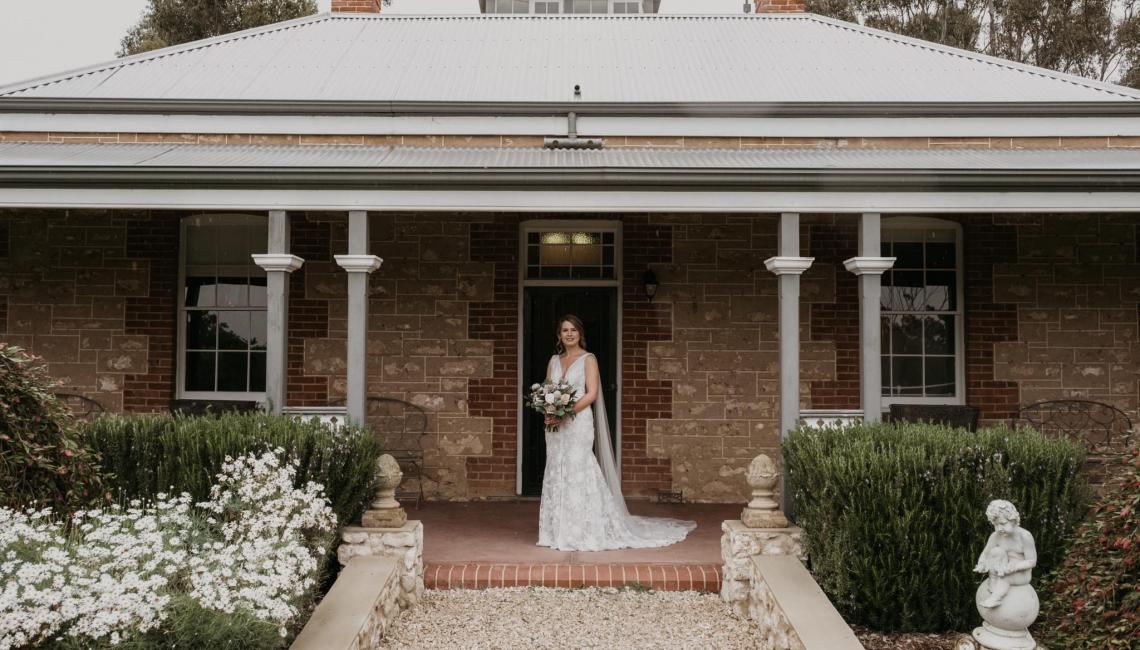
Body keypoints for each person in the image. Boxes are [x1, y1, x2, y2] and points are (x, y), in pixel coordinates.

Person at [537, 314, 696, 551]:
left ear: (580, 334)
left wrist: (564, 413)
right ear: (559, 335)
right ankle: (555, 531)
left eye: (573, 330)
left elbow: (591, 394)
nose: (569, 334)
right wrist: (549, 411)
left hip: (578, 423)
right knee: (556, 468)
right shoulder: (553, 361)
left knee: (578, 468)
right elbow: (548, 390)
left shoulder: (588, 359)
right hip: (554, 426)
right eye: (564, 330)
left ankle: (582, 530)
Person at [973, 500, 1037, 608]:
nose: (999, 529)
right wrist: (981, 564)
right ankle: (993, 582)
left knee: (1005, 577)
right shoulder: (996, 536)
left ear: (1013, 520)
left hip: (1021, 573)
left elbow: (1032, 561)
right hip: (1001, 569)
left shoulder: (1025, 536)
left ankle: (995, 599)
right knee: (996, 551)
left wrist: (1015, 567)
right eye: (995, 525)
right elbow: (985, 553)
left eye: (1002, 524)